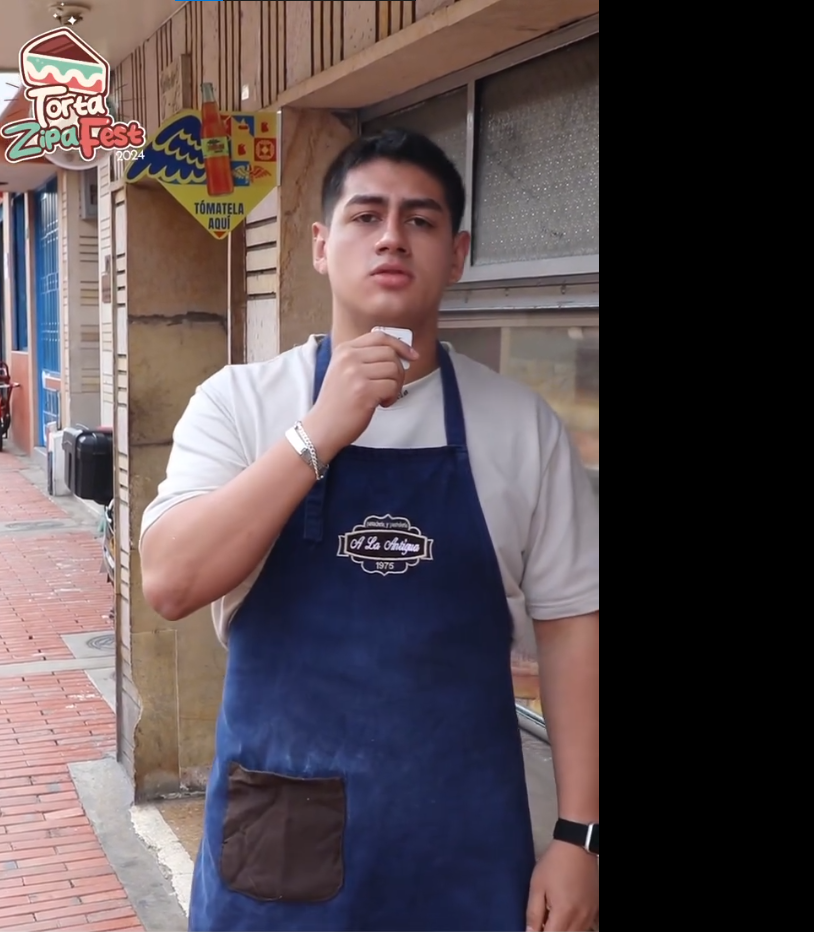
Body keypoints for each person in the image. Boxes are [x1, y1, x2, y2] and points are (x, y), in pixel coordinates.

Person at [139, 128, 599, 932]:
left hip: (464, 841)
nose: (392, 236)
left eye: (420, 221)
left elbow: (571, 628)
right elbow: (171, 581)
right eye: (366, 216)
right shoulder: (240, 403)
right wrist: (319, 431)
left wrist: (579, 835)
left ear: (456, 255)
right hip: (280, 853)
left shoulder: (520, 425)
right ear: (320, 245)